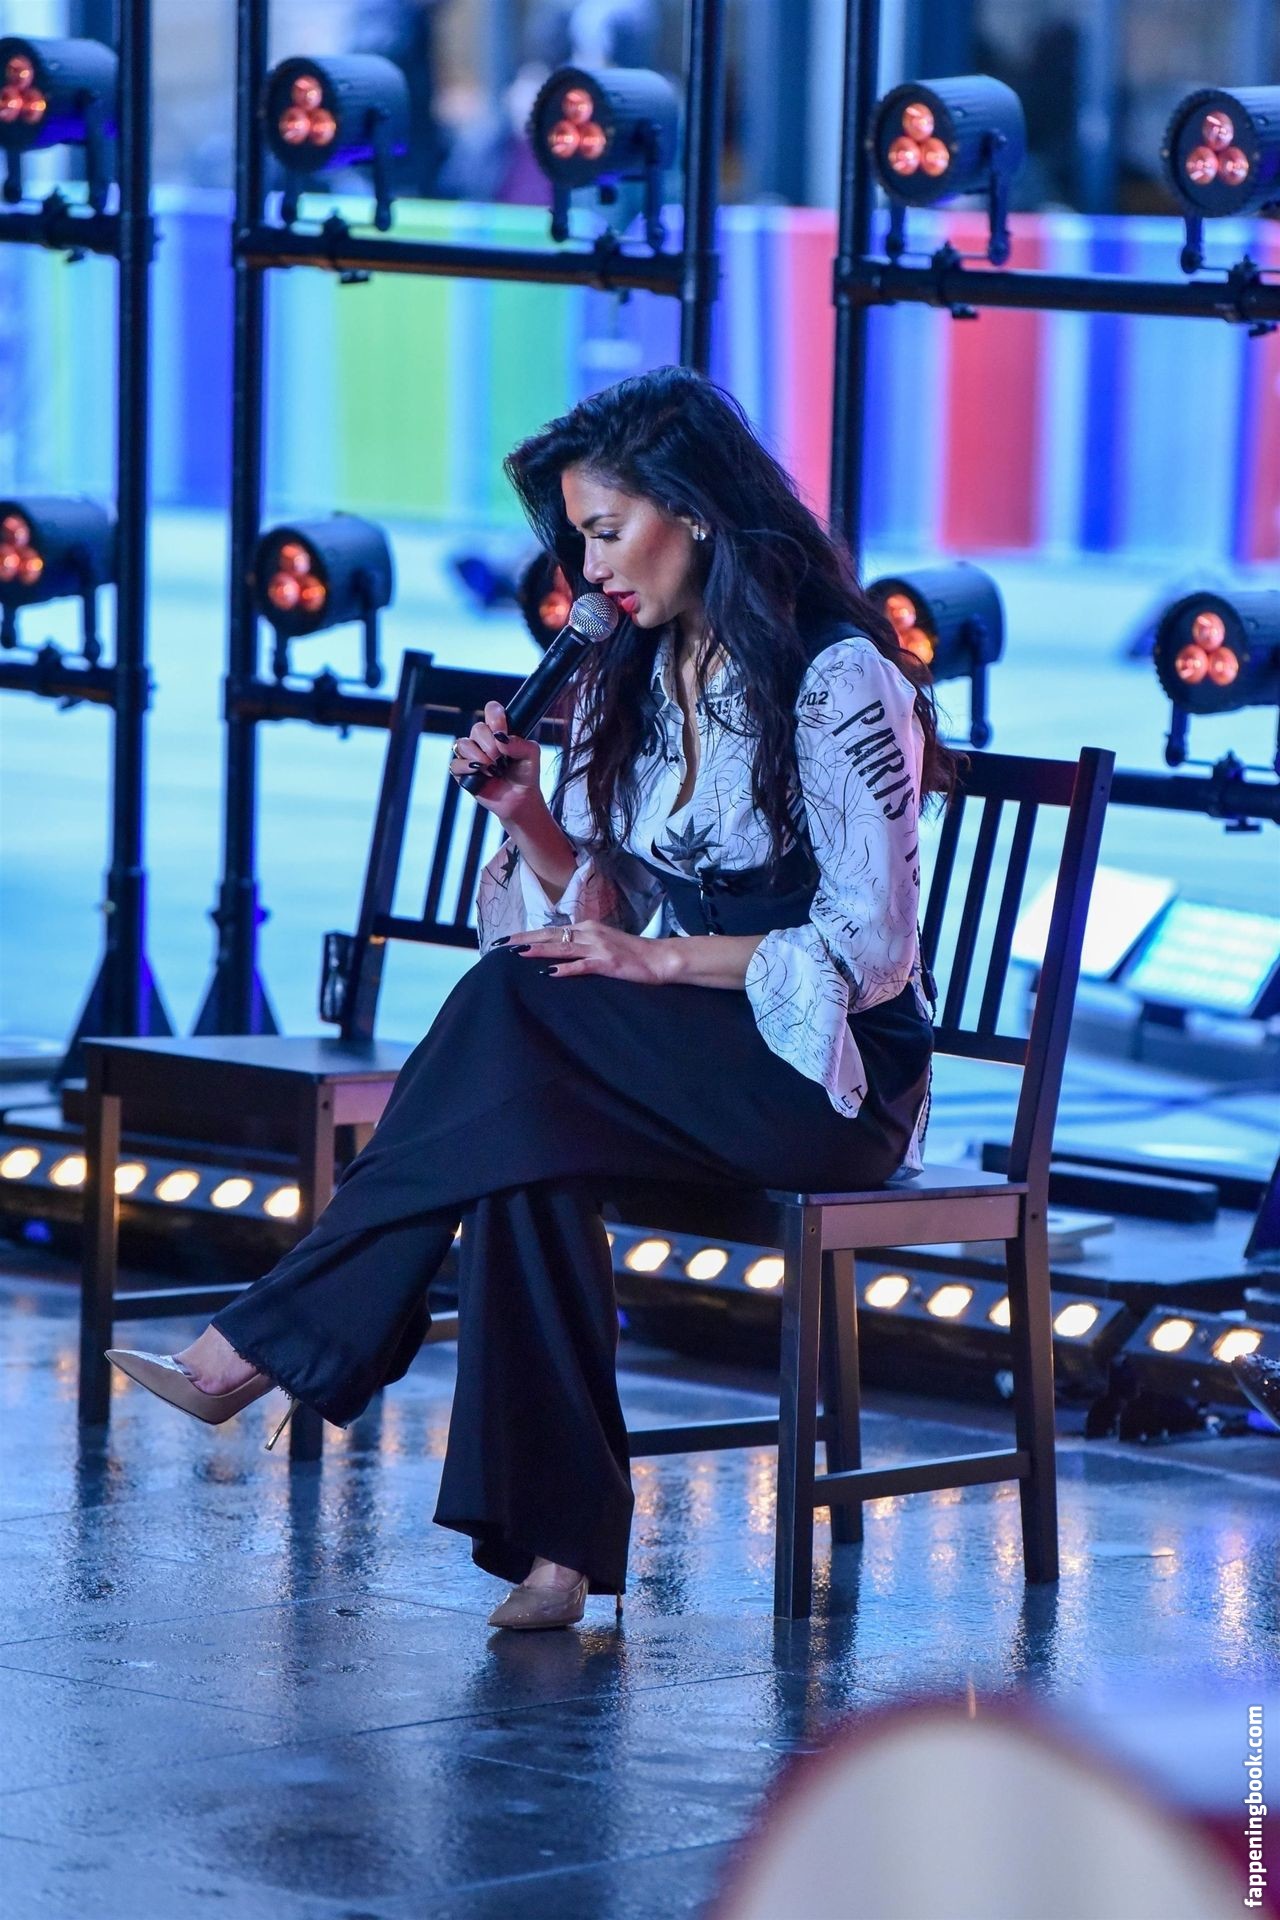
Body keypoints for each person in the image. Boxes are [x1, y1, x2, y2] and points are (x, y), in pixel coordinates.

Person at [107, 367, 955, 1630]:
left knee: (514, 1009)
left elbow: (869, 948)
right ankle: (554, 1555)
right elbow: (614, 903)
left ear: (694, 510)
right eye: (576, 541)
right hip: (695, 1054)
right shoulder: (638, 671)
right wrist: (527, 816)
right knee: (519, 1146)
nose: (589, 569)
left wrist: (658, 964)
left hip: (828, 1076)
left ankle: (273, 1340)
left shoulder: (835, 678)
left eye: (606, 532)